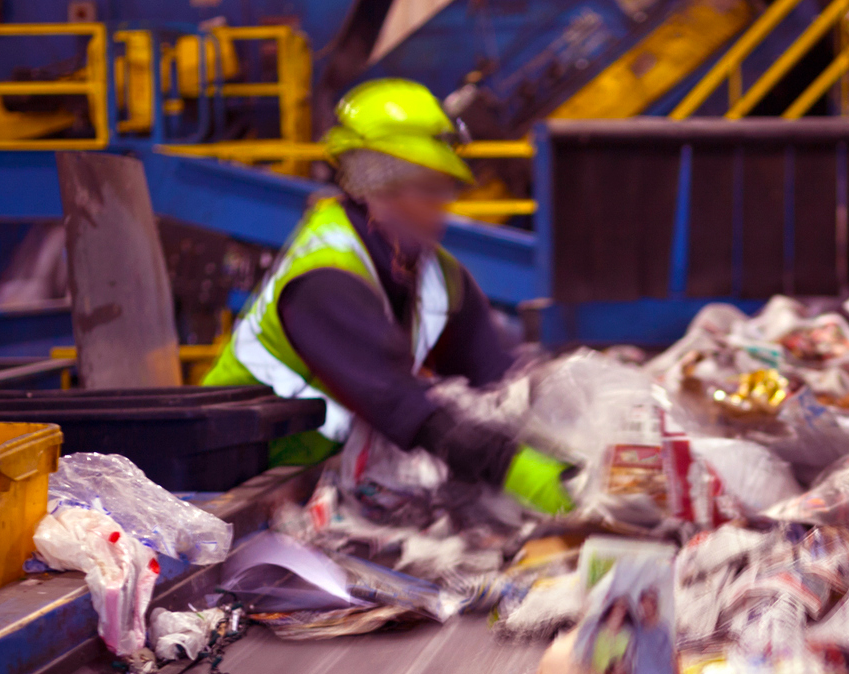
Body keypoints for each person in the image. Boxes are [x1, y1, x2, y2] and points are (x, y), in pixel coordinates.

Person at [204, 79, 573, 512]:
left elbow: (497, 374)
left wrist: (572, 421)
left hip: (323, 488)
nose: (443, 205)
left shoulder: (434, 273)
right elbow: (404, 406)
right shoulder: (326, 277)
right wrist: (520, 471)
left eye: (445, 189)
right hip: (236, 492)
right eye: (429, 188)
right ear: (380, 187)